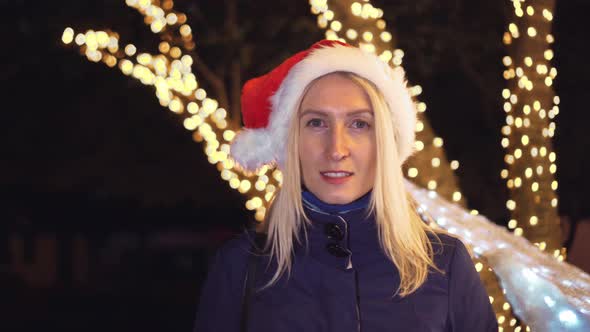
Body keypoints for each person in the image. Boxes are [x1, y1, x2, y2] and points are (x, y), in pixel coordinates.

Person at [193, 40, 498, 332]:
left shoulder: (445, 264)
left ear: (384, 142)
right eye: (316, 123)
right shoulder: (241, 267)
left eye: (359, 124)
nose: (337, 149)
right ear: (290, 141)